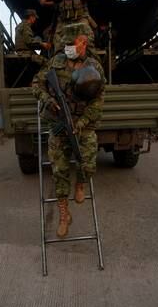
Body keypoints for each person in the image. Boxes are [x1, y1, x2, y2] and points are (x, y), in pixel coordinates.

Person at [32, 23, 106, 238]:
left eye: (71, 44)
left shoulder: (94, 66)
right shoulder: (55, 63)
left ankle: (81, 183)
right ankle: (64, 214)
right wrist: (47, 99)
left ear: (83, 42)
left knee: (88, 163)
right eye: (64, 44)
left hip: (83, 124)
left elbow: (99, 100)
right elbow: (36, 84)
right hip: (58, 122)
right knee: (59, 170)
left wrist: (81, 122)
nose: (67, 48)